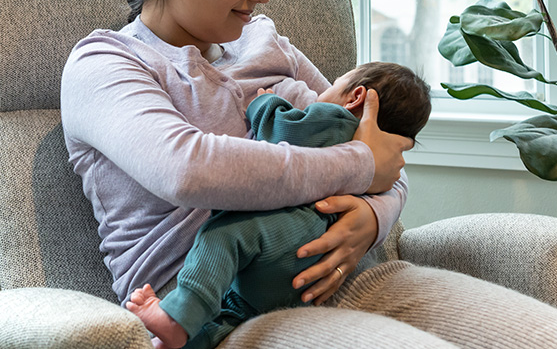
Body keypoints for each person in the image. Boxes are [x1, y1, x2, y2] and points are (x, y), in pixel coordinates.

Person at [61, 0, 557, 349]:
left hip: (360, 274)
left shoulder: (264, 41)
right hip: (227, 310)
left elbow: (382, 155)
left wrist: (374, 217)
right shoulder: (104, 64)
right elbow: (187, 169)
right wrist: (360, 165)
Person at [125, 62, 432, 349]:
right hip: (307, 270)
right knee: (236, 310)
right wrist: (363, 164)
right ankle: (176, 341)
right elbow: (383, 171)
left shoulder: (335, 120)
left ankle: (177, 316)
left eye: (334, 83)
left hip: (290, 234)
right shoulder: (371, 147)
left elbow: (283, 130)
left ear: (355, 97)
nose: (318, 94)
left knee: (223, 235)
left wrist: (265, 103)